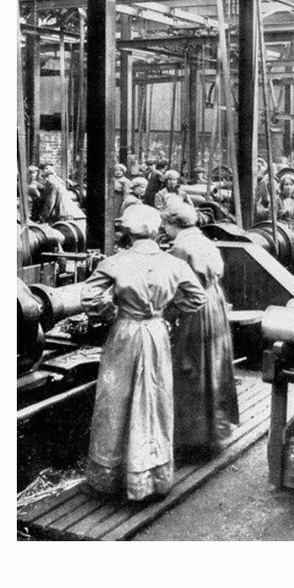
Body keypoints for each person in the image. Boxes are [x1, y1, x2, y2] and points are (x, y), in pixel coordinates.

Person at [80, 205, 206, 501]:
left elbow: (88, 296)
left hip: (124, 332)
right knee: (153, 399)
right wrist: (168, 312)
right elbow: (197, 298)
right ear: (155, 229)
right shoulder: (173, 263)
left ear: (128, 230)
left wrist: (111, 312)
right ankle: (151, 478)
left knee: (116, 400)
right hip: (156, 332)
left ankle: (109, 478)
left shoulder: (115, 261)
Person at [161, 202, 240, 461]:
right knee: (213, 367)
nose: (163, 229)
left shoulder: (180, 247)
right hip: (214, 303)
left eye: (165, 224)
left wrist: (167, 312)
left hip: (196, 311)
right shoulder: (205, 240)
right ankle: (214, 433)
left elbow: (173, 284)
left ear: (175, 224)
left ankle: (193, 441)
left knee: (192, 369)